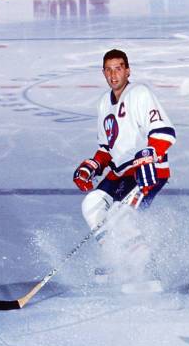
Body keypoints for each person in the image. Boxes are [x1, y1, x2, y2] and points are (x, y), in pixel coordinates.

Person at [73, 49, 176, 271]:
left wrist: (148, 155)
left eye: (118, 68)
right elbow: (106, 148)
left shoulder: (139, 93)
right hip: (120, 172)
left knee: (122, 218)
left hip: (147, 172)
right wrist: (93, 165)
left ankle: (146, 268)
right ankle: (116, 260)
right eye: (108, 70)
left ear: (127, 71)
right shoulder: (103, 103)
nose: (113, 75)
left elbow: (164, 132)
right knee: (91, 206)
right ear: (103, 73)